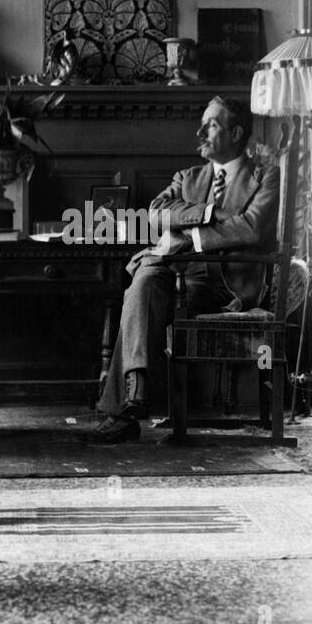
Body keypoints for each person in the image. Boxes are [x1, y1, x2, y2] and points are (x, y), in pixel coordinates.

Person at [91, 96, 281, 444]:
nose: (200, 131)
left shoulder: (264, 175)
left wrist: (191, 234)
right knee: (145, 281)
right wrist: (210, 214)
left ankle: (121, 412)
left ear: (236, 132)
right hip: (179, 273)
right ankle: (134, 397)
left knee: (148, 282)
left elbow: (251, 228)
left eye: (211, 124)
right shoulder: (188, 176)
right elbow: (156, 213)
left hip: (229, 284)